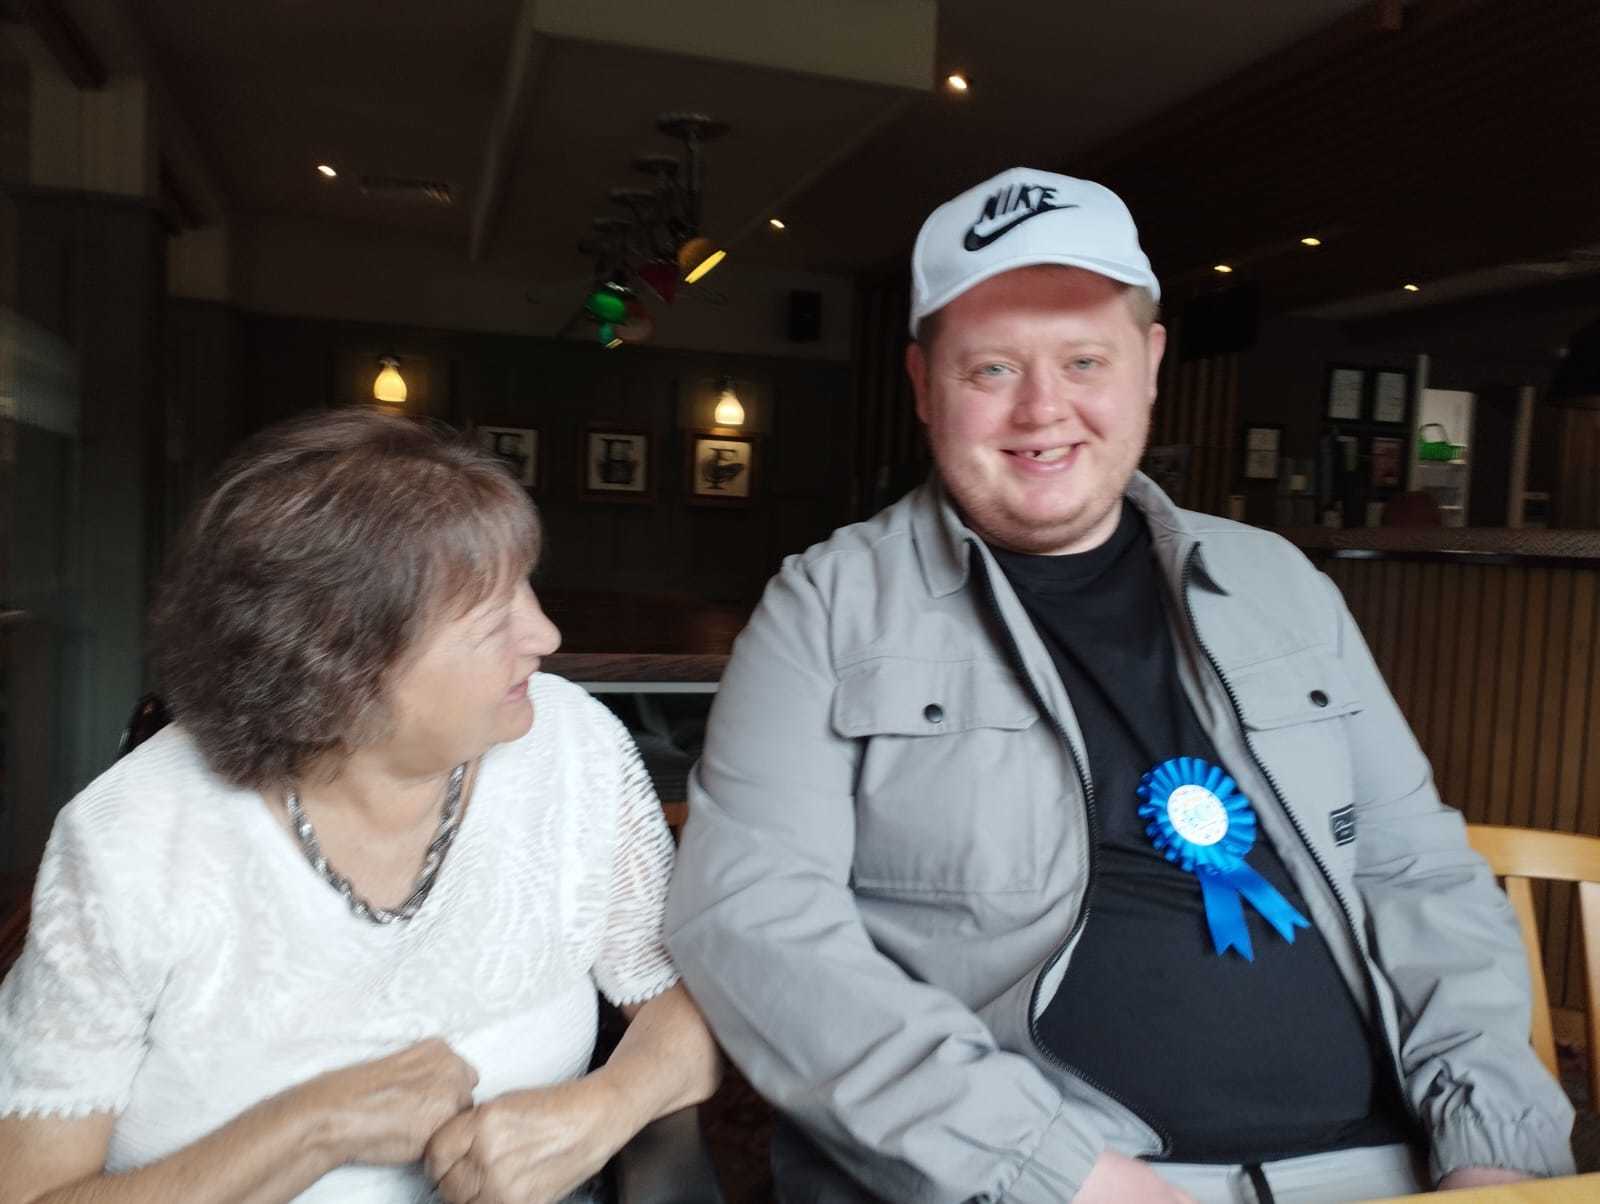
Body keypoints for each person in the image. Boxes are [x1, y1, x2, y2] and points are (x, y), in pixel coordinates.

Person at [664, 168, 1575, 1203]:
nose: (1042, 410)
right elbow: (751, 921)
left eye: (1083, 360)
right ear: (923, 386)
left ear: (1147, 365)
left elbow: (1416, 871)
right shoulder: (827, 606)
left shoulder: (1280, 582)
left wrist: (1490, 1143)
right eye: (991, 368)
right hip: (1049, 1178)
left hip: (1382, 1167)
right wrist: (1058, 1170)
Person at [0, 409, 719, 1204]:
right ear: (341, 664)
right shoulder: (131, 841)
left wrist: (602, 1111)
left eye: (528, 587)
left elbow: (689, 1009)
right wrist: (315, 1124)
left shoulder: (570, 747)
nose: (545, 633)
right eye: (491, 623)